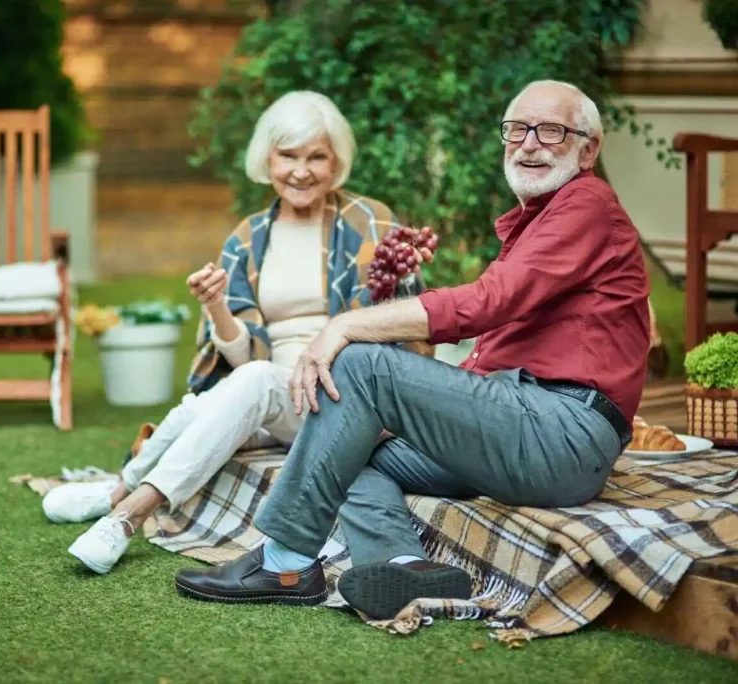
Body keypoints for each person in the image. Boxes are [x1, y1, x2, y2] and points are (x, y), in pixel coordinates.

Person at [173, 80, 651, 618]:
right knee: (350, 446)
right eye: (518, 129)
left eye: (551, 131)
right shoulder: (539, 222)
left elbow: (487, 303)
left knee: (360, 361)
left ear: (588, 150)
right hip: (521, 428)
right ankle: (402, 565)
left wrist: (346, 325)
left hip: (562, 433)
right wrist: (399, 415)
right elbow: (490, 355)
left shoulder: (586, 204)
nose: (529, 143)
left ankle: (285, 560)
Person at [42, 90, 429, 575]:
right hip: (275, 399)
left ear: (337, 162)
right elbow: (245, 361)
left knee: (246, 386)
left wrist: (404, 285)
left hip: (340, 399)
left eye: (316, 157)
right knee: (209, 402)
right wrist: (215, 305)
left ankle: (128, 512)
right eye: (288, 156)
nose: (301, 171)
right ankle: (119, 492)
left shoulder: (372, 221)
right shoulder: (248, 237)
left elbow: (410, 322)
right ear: (267, 159)